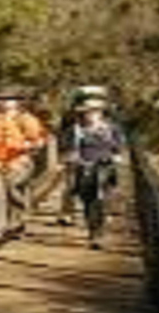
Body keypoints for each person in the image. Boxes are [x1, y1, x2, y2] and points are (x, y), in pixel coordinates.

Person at [0, 88, 48, 242]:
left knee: (13, 190)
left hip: (19, 161)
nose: (5, 102)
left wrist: (27, 148)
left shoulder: (27, 119)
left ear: (18, 102)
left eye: (9, 99)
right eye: (1, 99)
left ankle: (17, 224)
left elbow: (39, 140)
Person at [66, 98, 126, 249]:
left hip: (105, 167)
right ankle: (93, 232)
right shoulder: (76, 129)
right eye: (87, 112)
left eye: (94, 112)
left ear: (101, 113)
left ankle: (100, 232)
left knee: (102, 199)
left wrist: (117, 155)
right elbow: (69, 147)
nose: (91, 115)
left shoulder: (111, 128)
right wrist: (73, 157)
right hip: (85, 167)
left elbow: (119, 145)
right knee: (88, 201)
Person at [57, 85, 111, 226]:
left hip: (97, 156)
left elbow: (111, 135)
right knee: (71, 183)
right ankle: (67, 212)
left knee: (100, 184)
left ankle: (101, 212)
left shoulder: (106, 113)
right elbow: (63, 134)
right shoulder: (71, 116)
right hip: (74, 153)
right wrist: (65, 152)